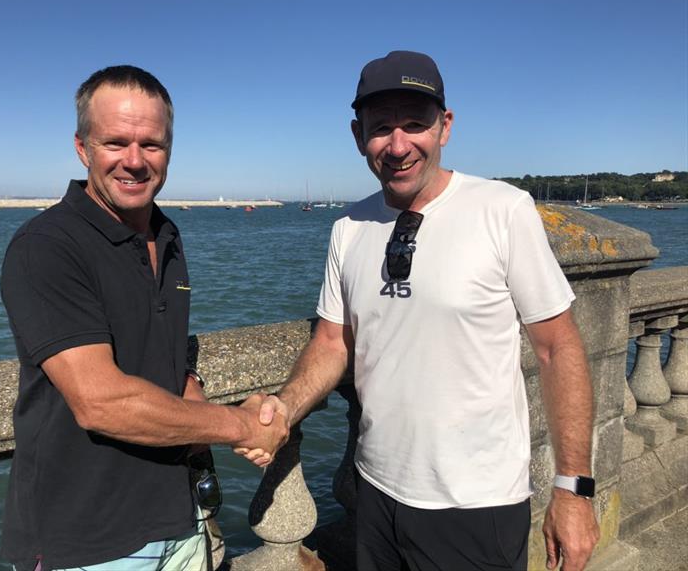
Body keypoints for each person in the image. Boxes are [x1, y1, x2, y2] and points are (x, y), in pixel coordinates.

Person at [244, 51, 600, 571]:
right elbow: (330, 342)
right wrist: (283, 408)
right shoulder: (348, 227)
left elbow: (557, 347)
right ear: (356, 134)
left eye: (416, 124)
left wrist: (573, 490)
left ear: (445, 126)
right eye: (380, 128)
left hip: (477, 502)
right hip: (374, 489)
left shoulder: (503, 210)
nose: (398, 145)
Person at [0, 65, 288, 571]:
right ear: (82, 147)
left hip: (182, 521)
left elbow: (158, 349)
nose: (134, 161)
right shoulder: (46, 246)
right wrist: (240, 425)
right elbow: (101, 402)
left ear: (169, 150)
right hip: (89, 543)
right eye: (115, 142)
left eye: (151, 144)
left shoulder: (166, 234)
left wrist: (189, 383)